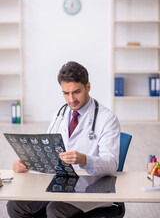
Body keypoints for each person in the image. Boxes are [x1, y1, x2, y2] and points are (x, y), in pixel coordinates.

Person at [7, 61, 120, 218]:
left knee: (55, 210)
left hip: (91, 187)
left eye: (76, 92)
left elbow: (111, 163)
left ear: (88, 87)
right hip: (60, 184)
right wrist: (27, 162)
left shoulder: (107, 119)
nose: (71, 99)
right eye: (66, 93)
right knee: (16, 206)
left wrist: (84, 159)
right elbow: (48, 152)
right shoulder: (59, 115)